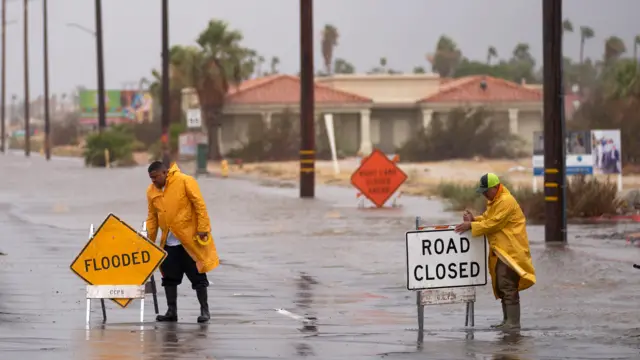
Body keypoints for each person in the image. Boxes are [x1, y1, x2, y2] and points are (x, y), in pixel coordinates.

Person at [454, 173, 536, 330]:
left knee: (508, 285)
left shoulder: (506, 201)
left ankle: (513, 323)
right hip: (501, 251)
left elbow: (494, 224)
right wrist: (474, 219)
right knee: (502, 285)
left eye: (486, 191)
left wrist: (470, 226)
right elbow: (487, 218)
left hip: (510, 252)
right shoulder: (495, 201)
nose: (484, 194)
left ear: (495, 187)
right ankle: (507, 321)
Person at [146, 161, 220, 323]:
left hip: (189, 240)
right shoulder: (151, 191)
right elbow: (152, 218)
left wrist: (203, 228)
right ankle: (171, 311)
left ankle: (204, 311)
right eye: (151, 178)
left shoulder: (185, 181)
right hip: (168, 243)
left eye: (156, 177)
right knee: (168, 278)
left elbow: (199, 205)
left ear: (165, 173)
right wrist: (149, 242)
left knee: (198, 276)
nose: (154, 181)